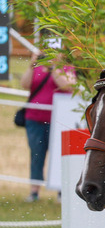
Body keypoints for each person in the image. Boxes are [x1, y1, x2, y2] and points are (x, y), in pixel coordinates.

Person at [20, 47, 75, 201]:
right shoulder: (36, 69)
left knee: (59, 155)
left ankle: (60, 190)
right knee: (36, 154)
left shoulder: (67, 69)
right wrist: (32, 65)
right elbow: (24, 84)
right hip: (34, 119)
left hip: (59, 121)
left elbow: (68, 86)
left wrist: (53, 68)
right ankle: (34, 191)